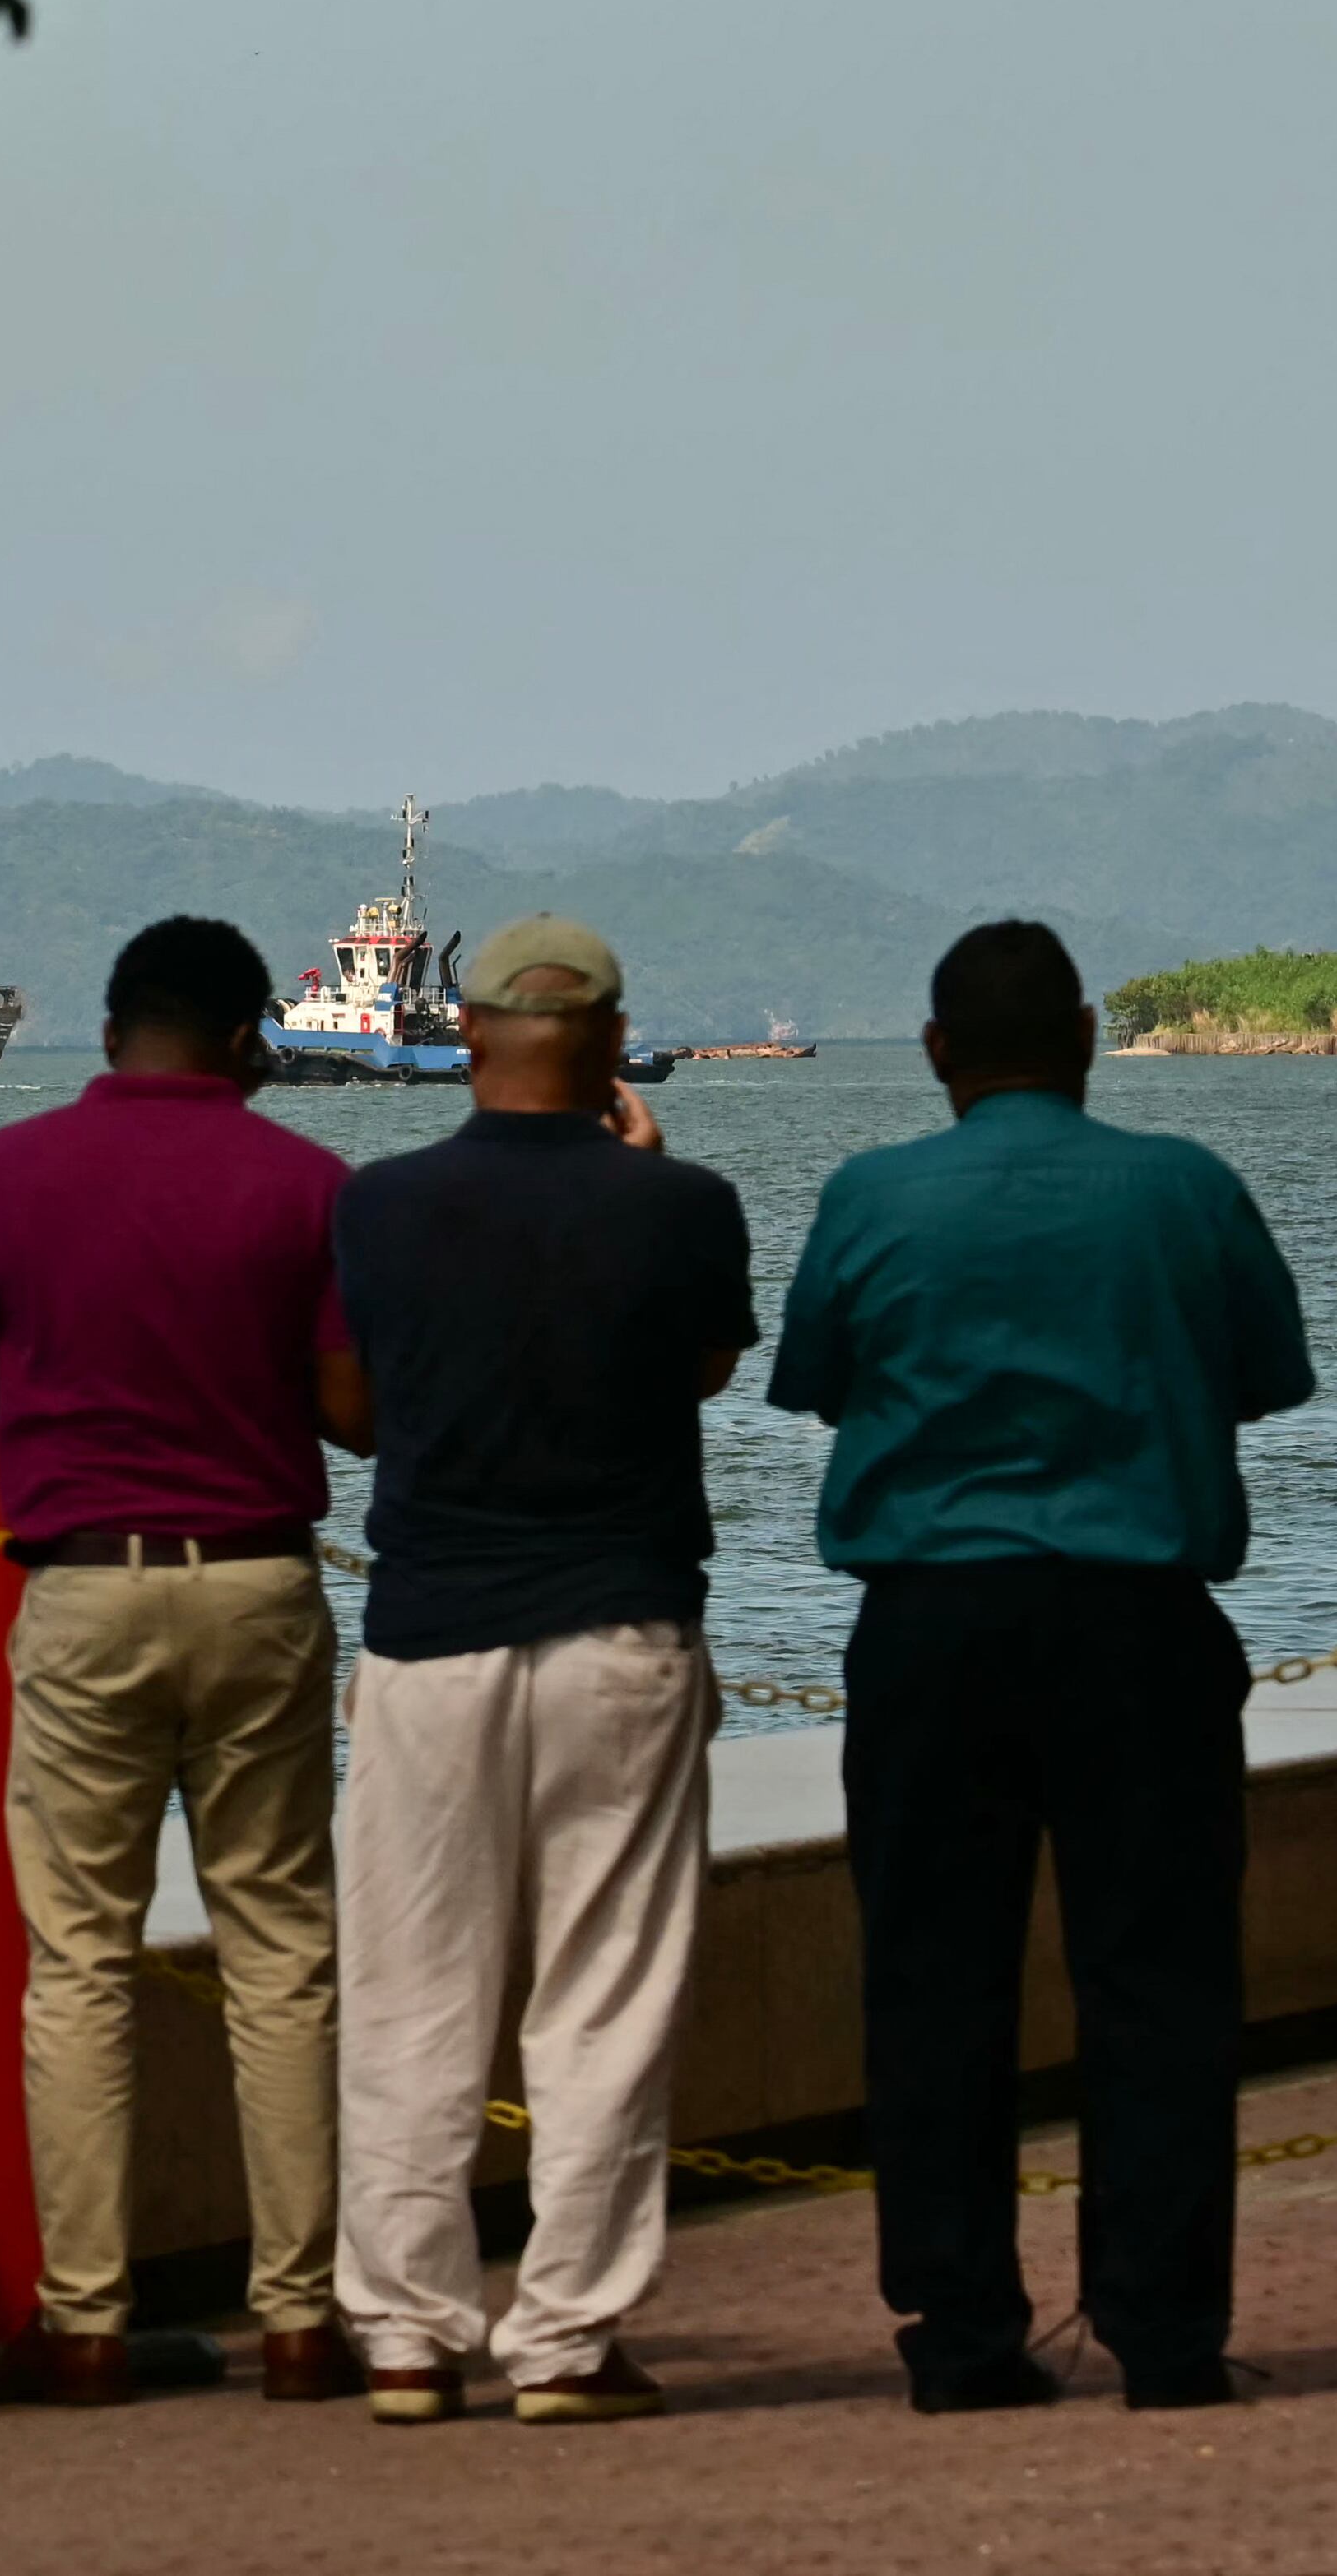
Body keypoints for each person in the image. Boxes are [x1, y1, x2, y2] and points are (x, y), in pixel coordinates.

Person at [771, 921, 1312, 2415]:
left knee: (931, 1984)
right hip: (1140, 1626)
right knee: (1158, 1982)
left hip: (929, 1630)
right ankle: (1164, 2335)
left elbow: (808, 1376)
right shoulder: (1183, 1188)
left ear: (934, 1050)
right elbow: (1270, 1374)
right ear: (1081, 1036)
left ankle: (958, 2335)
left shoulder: (867, 1193)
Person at [0, 917, 373, 2408]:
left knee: (78, 1965)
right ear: (249, 1032)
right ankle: (304, 2319)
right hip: (257, 1582)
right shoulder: (309, 1182)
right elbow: (349, 1410)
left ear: (113, 1024)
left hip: (83, 1595)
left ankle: (85, 2321)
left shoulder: (3, 1174)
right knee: (283, 1954)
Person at [326, 915, 755, 2427]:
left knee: (407, 1994)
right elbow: (700, 1368)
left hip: (429, 1638)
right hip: (620, 1630)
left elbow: (349, 1410)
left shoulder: (374, 1209)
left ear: (461, 1034)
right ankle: (565, 2339)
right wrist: (636, 1175)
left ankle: (399, 2334)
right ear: (611, 1038)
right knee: (604, 1996)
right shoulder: (683, 1204)